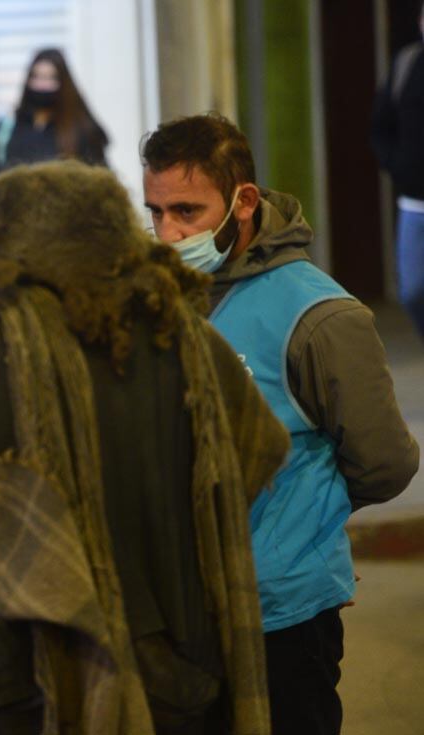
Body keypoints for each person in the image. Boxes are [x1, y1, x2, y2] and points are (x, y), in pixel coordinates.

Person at [0, 160, 289, 734]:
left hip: (19, 684)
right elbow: (256, 450)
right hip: (178, 670)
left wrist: (36, 556)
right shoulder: (183, 337)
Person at [142, 113, 420, 735]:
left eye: (186, 211)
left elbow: (385, 463)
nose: (166, 233)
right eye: (155, 212)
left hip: (282, 618)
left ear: (243, 202)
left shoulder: (319, 316)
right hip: (174, 614)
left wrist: (295, 516)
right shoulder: (156, 298)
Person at [371, 0, 424, 339]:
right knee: (412, 291)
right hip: (414, 203)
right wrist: (395, 164)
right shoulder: (406, 64)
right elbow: (380, 126)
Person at [0, 48, 108, 181]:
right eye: (37, 77)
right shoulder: (9, 125)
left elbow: (100, 178)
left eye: (50, 78)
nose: (42, 85)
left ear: (63, 83)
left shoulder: (82, 129)